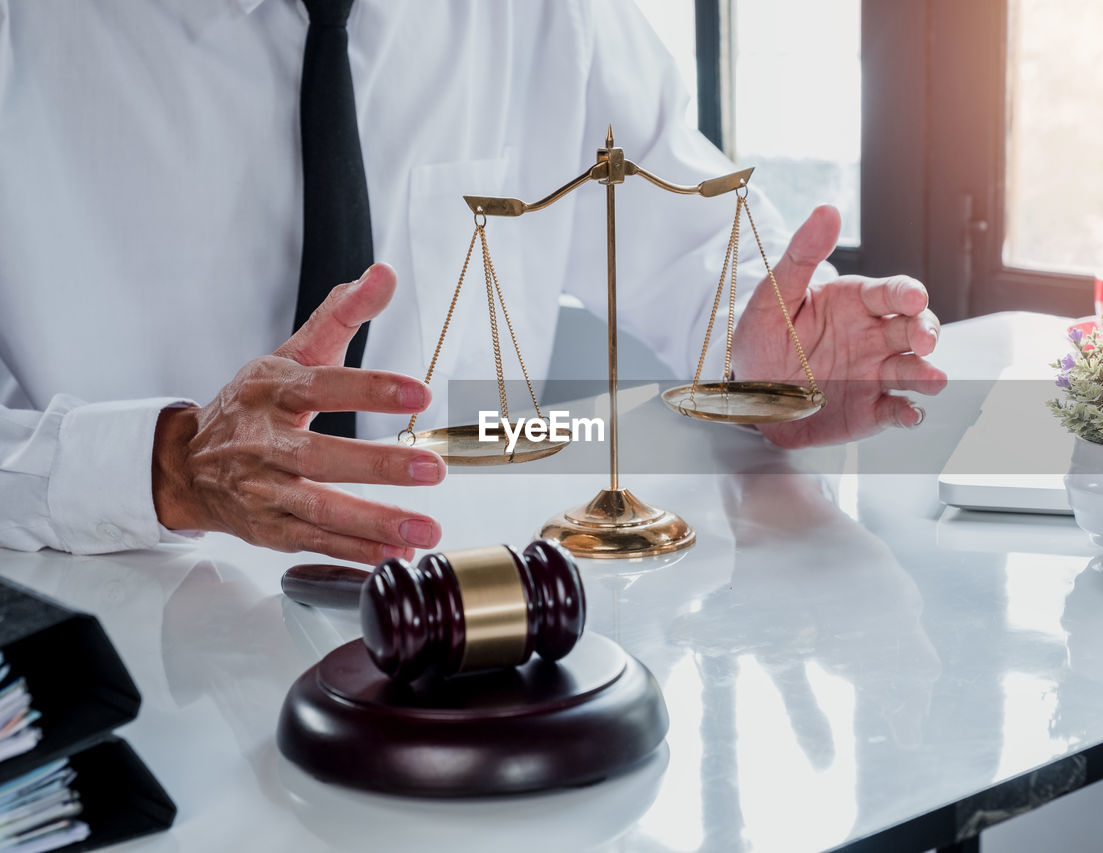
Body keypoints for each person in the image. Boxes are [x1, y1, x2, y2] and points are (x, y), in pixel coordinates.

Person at [0, 0, 944, 563]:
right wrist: (167, 467)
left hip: (474, 649)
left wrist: (761, 354)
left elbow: (686, 232)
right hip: (120, 658)